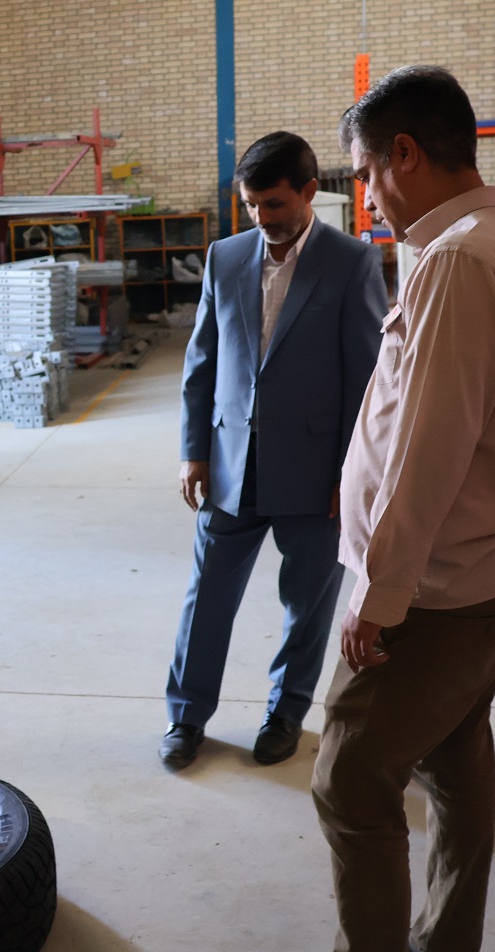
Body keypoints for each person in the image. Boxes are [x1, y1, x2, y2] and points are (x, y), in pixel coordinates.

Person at [311, 66, 495, 952]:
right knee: (455, 755)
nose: (366, 197)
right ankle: (447, 947)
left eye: (364, 174)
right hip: (493, 567)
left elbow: (430, 448)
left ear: (406, 155)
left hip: (436, 592)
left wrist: (380, 595)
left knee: (349, 782)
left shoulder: (459, 260)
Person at [159, 132, 385, 771]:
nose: (262, 218)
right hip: (231, 466)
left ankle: (285, 712)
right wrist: (194, 450)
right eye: (252, 205)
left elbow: (367, 382)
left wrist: (351, 476)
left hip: (316, 477)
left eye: (275, 204)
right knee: (206, 598)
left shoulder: (351, 263)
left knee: (307, 605)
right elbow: (202, 361)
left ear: (310, 191)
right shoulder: (225, 257)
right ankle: (185, 716)